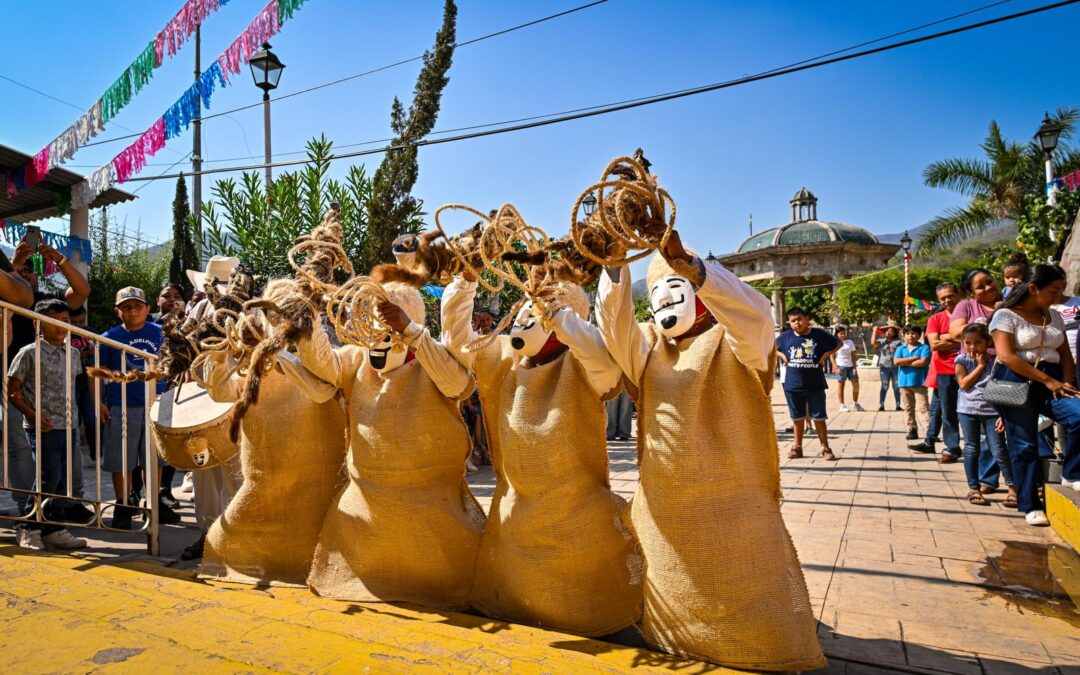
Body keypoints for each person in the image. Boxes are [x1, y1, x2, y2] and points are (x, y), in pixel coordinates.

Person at [596, 233, 824, 669]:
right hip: (666, 507)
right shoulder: (647, 348)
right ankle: (675, 639)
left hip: (734, 505)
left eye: (676, 290)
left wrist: (696, 270)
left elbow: (754, 316)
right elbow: (614, 326)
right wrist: (613, 268)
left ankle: (754, 648)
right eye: (657, 295)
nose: (664, 301)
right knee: (672, 593)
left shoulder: (735, 339)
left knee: (745, 593)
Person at [442, 271, 641, 636]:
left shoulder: (583, 365)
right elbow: (458, 342)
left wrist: (559, 314)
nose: (521, 323)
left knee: (577, 606)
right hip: (515, 520)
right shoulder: (505, 360)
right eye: (521, 315)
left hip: (575, 521)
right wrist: (464, 283)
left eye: (534, 316)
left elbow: (603, 360)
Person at [296, 281, 485, 609]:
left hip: (431, 503)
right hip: (366, 503)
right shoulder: (357, 359)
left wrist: (410, 331)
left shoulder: (431, 358)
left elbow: (458, 385)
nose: (380, 338)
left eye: (389, 327)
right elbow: (324, 365)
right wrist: (308, 318)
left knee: (448, 577)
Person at [990, 264, 1080, 526]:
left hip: (1054, 380)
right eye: (1054, 290)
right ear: (1033, 288)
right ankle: (1030, 504)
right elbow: (1006, 357)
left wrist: (1066, 381)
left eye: (1061, 290)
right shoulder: (1005, 316)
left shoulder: (1054, 315)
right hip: (1016, 379)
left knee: (1077, 416)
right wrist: (1048, 380)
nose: (1058, 295)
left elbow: (1065, 354)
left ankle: (1072, 473)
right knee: (1024, 443)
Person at [4, 238, 83, 521]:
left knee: (63, 451)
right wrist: (11, 266)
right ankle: (29, 507)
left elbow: (81, 292)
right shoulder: (7, 298)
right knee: (19, 446)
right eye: (19, 270)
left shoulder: (48, 304)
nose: (25, 274)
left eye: (30, 269)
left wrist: (59, 259)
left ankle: (65, 505)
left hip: (53, 388)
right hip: (15, 380)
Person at [8, 299, 87, 551]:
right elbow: (12, 391)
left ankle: (54, 527)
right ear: (37, 323)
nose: (61, 326)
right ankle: (29, 527)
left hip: (69, 424)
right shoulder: (28, 353)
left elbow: (75, 387)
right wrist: (32, 415)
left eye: (65, 321)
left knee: (63, 480)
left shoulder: (72, 353)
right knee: (46, 478)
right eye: (54, 321)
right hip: (42, 427)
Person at [98, 287, 179, 529]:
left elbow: (173, 364)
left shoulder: (162, 333)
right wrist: (98, 402)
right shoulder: (108, 337)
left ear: (147, 309)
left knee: (153, 458)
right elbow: (97, 374)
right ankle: (123, 505)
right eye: (126, 307)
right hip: (121, 405)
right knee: (122, 459)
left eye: (137, 306)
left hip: (156, 403)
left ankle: (152, 503)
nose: (132, 311)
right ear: (117, 311)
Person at [948, 268, 1005, 485]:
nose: (988, 287)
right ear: (972, 293)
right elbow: (956, 332)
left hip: (1004, 369)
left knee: (1004, 429)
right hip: (977, 370)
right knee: (985, 432)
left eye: (989, 281)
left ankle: (1015, 482)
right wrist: (994, 318)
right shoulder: (966, 306)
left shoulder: (1010, 298)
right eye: (980, 286)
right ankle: (987, 480)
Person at [955, 323, 1016, 508]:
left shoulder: (998, 361)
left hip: (992, 412)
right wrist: (980, 366)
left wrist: (1003, 414)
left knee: (998, 450)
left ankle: (1013, 488)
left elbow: (1005, 388)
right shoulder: (961, 360)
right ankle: (974, 488)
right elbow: (964, 383)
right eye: (968, 343)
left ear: (987, 341)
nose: (973, 347)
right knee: (971, 449)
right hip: (968, 410)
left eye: (978, 342)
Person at [777, 308, 841, 460]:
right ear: (789, 323)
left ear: (807, 319)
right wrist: (782, 356)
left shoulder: (818, 334)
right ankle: (797, 447)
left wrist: (826, 355)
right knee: (797, 417)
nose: (797, 323)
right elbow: (772, 348)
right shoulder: (785, 337)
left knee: (819, 416)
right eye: (793, 321)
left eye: (799, 319)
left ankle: (825, 447)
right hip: (793, 384)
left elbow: (838, 343)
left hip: (815, 383)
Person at [909, 283, 962, 462]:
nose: (947, 300)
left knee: (972, 410)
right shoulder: (936, 319)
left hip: (971, 368)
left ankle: (975, 447)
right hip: (944, 370)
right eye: (943, 298)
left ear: (958, 295)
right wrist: (962, 340)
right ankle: (952, 448)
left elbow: (979, 338)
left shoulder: (968, 314)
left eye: (950, 295)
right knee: (946, 412)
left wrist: (945, 337)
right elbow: (934, 344)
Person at [894, 325, 930, 441]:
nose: (911, 336)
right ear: (904, 336)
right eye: (908, 333)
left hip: (920, 382)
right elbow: (896, 361)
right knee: (908, 408)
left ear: (919, 335)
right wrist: (914, 358)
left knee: (924, 408)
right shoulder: (901, 349)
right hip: (904, 383)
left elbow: (923, 362)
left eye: (914, 333)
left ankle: (930, 431)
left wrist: (905, 363)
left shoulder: (924, 347)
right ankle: (912, 429)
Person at [831, 326, 863, 412]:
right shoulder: (834, 342)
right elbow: (832, 356)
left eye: (844, 333)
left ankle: (855, 403)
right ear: (836, 334)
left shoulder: (850, 342)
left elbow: (853, 355)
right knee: (841, 386)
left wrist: (855, 367)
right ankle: (842, 405)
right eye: (841, 333)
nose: (843, 335)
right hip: (841, 367)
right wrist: (836, 367)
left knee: (856, 384)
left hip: (851, 367)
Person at [875, 324, 903, 411]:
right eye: (887, 330)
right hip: (884, 367)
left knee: (896, 386)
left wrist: (893, 326)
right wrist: (874, 331)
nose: (888, 332)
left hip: (896, 367)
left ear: (894, 333)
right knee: (884, 386)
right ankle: (881, 405)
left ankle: (898, 405)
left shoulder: (898, 341)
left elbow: (902, 330)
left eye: (891, 331)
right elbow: (873, 343)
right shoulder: (881, 341)